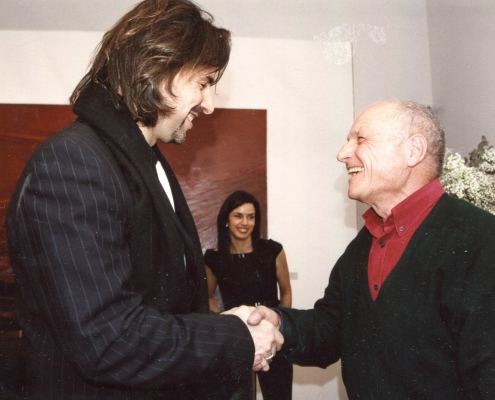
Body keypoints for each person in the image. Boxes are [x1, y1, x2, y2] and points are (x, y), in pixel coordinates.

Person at [6, 1, 282, 399]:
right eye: (203, 83)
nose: (210, 104)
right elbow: (107, 340)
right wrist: (234, 336)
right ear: (156, 70)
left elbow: (163, 308)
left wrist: (230, 324)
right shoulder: (73, 162)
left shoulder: (147, 162)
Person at [247, 101, 495, 399]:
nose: (342, 153)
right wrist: (281, 323)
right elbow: (331, 330)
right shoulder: (360, 247)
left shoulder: (480, 240)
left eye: (360, 139)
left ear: (413, 151)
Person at [205, 190, 293, 399]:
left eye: (251, 216)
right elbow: (209, 297)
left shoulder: (273, 250)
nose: (245, 222)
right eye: (238, 215)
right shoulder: (213, 258)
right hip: (237, 338)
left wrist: (281, 324)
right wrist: (222, 326)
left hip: (272, 334)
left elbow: (286, 292)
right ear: (226, 219)